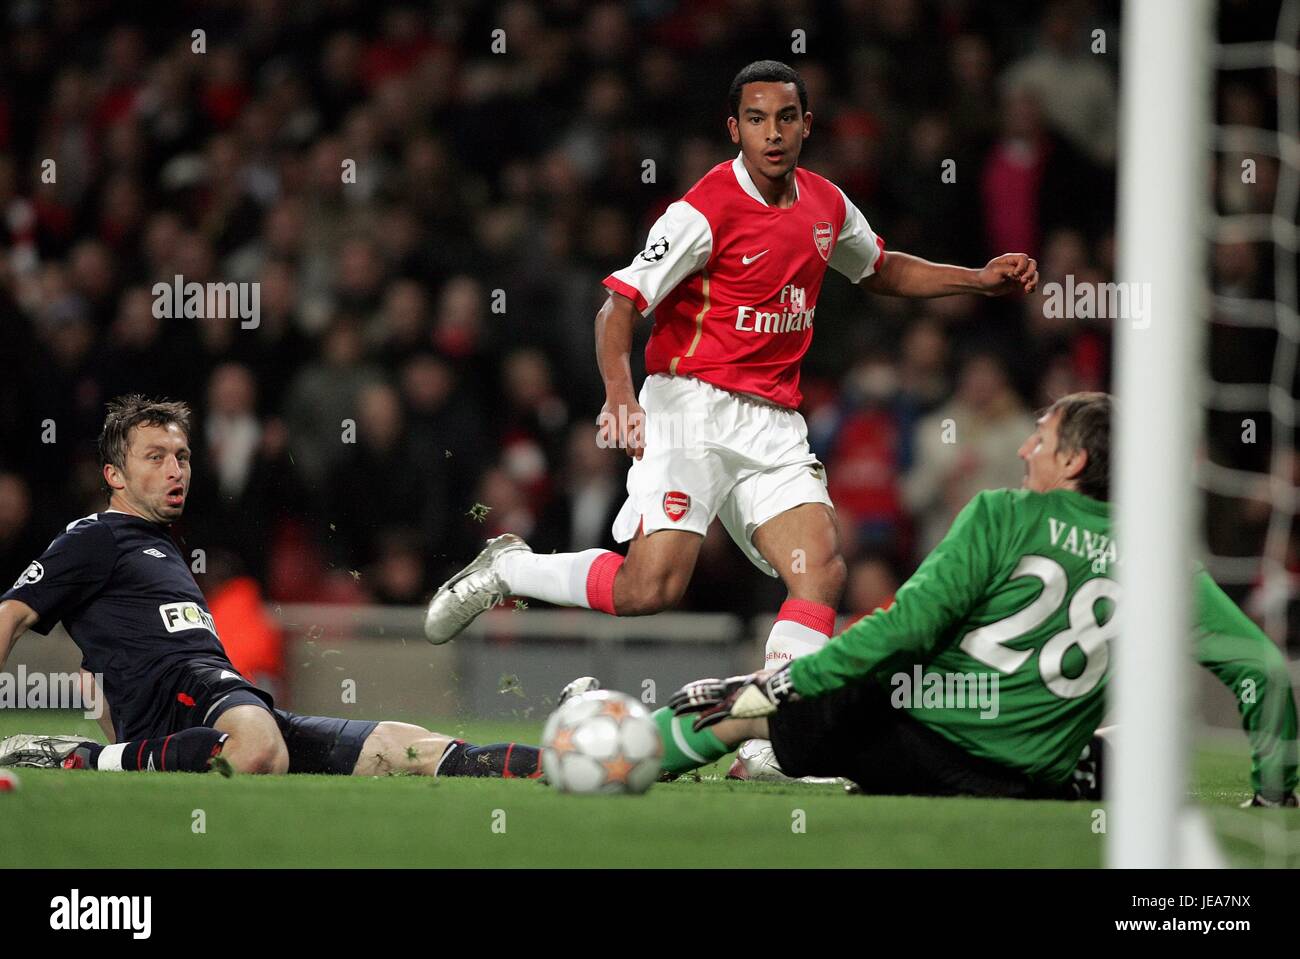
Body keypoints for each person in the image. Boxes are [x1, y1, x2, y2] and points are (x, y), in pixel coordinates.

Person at [423, 59, 1038, 774]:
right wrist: (621, 398)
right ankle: (511, 570)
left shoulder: (827, 206)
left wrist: (978, 279)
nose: (772, 134)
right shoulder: (702, 210)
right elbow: (617, 307)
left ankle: (772, 740)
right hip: (688, 404)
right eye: (756, 119)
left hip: (772, 420)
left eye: (785, 118)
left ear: (807, 125)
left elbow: (881, 269)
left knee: (821, 569)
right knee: (649, 588)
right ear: (734, 128)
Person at [652, 392, 1297, 806]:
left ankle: (598, 755)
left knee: (726, 706)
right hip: (1027, 777)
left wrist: (789, 681)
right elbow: (1263, 671)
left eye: (1040, 438)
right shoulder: (1162, 560)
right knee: (1131, 736)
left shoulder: (1004, 514)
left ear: (1072, 462)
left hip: (919, 742)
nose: (1023, 446)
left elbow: (905, 628)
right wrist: (1275, 794)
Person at [0, 395, 540, 779]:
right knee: (258, 753)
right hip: (190, 699)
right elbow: (10, 616)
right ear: (114, 475)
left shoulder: (160, 544)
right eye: (156, 457)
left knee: (411, 748)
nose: (176, 470)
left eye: (183, 456)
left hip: (225, 702)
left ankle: (555, 760)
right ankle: (84, 759)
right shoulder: (94, 536)